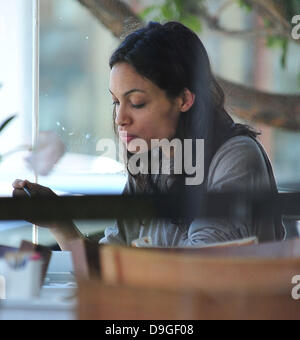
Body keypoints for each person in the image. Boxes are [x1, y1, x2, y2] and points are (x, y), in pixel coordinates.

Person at [12, 21, 285, 250]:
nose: (120, 118)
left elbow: (202, 266)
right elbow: (111, 263)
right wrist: (58, 220)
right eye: (116, 102)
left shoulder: (235, 157)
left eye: (137, 102)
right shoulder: (149, 163)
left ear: (184, 98)